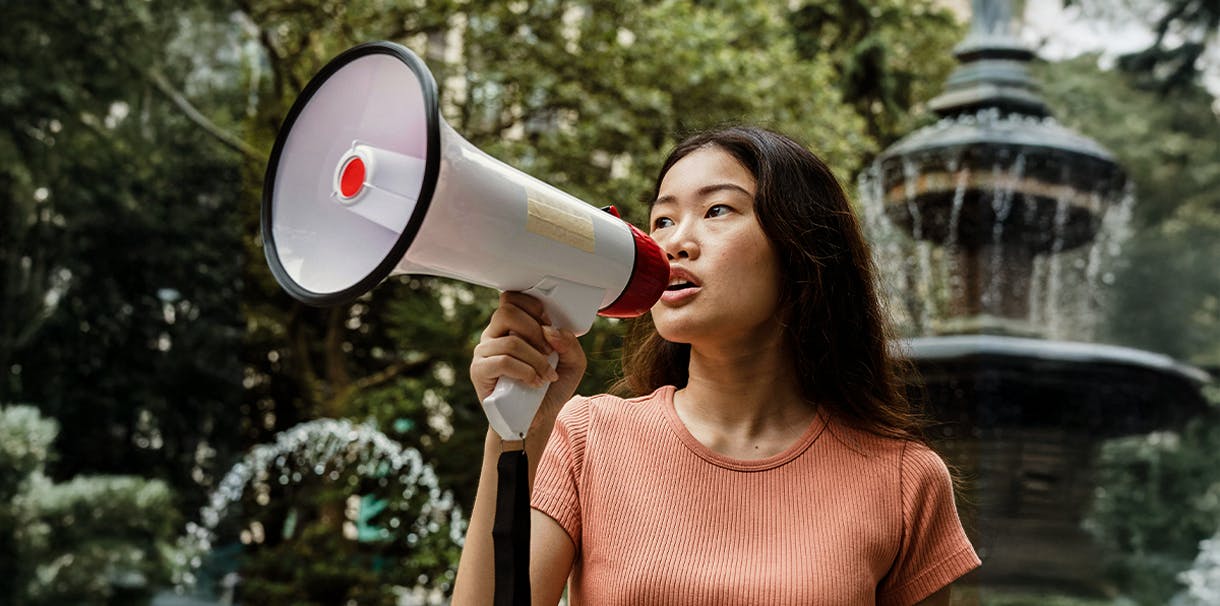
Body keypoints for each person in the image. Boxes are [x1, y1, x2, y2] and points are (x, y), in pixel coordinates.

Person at [453, 126, 980, 605]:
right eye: (662, 219)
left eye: (717, 210)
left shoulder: (907, 480)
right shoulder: (587, 436)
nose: (674, 242)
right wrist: (515, 429)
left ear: (800, 248)